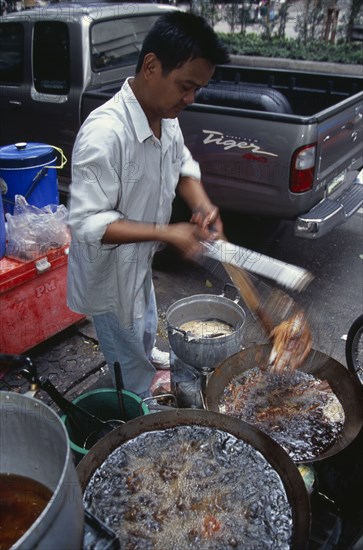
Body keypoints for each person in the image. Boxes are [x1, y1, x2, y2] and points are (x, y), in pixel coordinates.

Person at [67, 11, 230, 398]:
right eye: (185, 86)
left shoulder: (164, 116)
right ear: (151, 66)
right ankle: (140, 399)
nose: (189, 98)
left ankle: (145, 353)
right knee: (121, 336)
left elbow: (182, 164)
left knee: (143, 313)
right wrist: (167, 232)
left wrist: (202, 205)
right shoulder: (104, 134)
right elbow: (89, 223)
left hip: (139, 256)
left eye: (197, 89)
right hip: (107, 270)